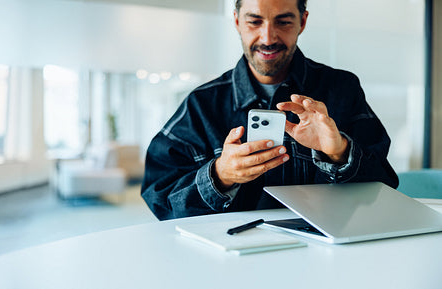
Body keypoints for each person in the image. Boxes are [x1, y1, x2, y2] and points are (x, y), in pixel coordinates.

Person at [141, 0, 399, 221]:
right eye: (254, 21)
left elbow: (385, 187)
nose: (268, 38)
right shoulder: (201, 104)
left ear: (303, 21)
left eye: (283, 22)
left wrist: (340, 152)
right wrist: (220, 175)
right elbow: (159, 197)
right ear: (237, 21)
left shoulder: (342, 89)